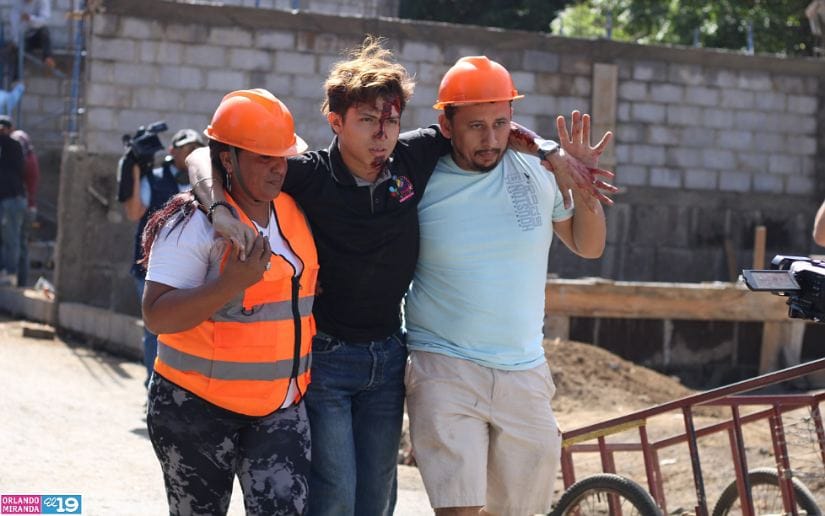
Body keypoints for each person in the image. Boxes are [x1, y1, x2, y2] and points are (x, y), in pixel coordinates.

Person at [188, 38, 612, 516]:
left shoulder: (414, 158)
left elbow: (493, 126)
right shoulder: (316, 174)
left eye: (390, 121)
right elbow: (205, 157)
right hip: (349, 357)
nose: (381, 134)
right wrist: (219, 208)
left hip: (395, 357)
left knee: (378, 499)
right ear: (335, 121)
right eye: (367, 120)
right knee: (337, 494)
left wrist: (556, 156)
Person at [403, 56, 613, 516]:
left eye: (500, 124)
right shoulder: (420, 180)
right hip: (444, 365)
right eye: (476, 126)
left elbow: (588, 245)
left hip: (525, 370)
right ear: (446, 124)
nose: (491, 138)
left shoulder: (538, 170)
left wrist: (583, 186)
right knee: (460, 510)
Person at [141, 89, 317, 515]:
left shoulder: (292, 208)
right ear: (229, 160)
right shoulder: (188, 221)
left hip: (280, 408)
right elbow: (156, 315)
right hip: (194, 409)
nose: (278, 168)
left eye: (282, 156)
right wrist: (228, 284)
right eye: (263, 158)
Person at [121, 128, 204, 386]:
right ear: (172, 152)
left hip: (193, 270)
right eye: (186, 149)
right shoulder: (155, 178)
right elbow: (133, 212)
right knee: (154, 330)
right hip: (151, 269)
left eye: (195, 149)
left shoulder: (207, 184)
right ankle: (154, 386)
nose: (191, 155)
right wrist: (134, 171)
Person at [0, 115, 25, 287]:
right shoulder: (15, 145)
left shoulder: (13, 145)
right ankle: (9, 273)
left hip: (11, 198)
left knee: (11, 239)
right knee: (11, 239)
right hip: (12, 198)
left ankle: (10, 274)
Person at [10, 128, 38, 286]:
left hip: (22, 206)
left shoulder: (25, 162)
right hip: (30, 207)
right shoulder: (32, 159)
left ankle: (13, 279)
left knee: (14, 243)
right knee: (22, 245)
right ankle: (21, 282)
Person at [9, 0, 55, 70]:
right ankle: (17, 75)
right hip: (25, 37)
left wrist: (30, 18)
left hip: (38, 36)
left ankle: (47, 58)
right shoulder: (17, 3)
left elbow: (45, 21)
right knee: (17, 51)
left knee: (44, 31)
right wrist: (15, 41)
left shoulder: (43, 1)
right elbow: (14, 25)